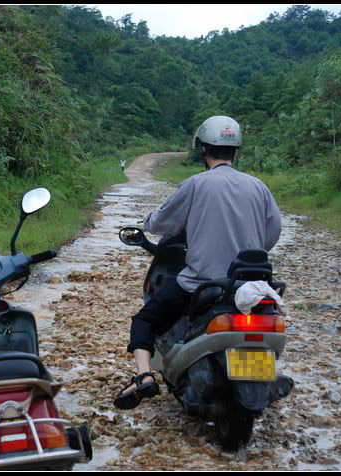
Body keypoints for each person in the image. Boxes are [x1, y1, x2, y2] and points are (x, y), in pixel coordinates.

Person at [113, 115, 283, 410]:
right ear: (237, 151)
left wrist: (147, 222)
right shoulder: (259, 187)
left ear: (203, 149)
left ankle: (144, 376)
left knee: (145, 320)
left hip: (202, 286)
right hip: (251, 287)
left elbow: (163, 221)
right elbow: (272, 234)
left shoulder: (195, 185)